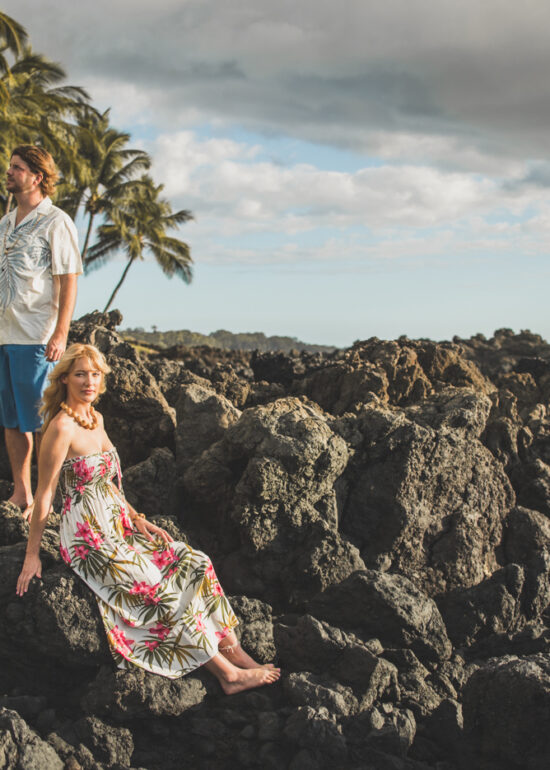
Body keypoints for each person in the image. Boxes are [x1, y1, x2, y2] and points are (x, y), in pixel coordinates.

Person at [16, 344, 280, 693]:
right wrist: (32, 554)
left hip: (118, 524)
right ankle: (227, 675)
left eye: (95, 374)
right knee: (157, 588)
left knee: (193, 561)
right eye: (80, 373)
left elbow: (109, 483)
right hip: (88, 538)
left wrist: (137, 517)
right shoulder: (62, 428)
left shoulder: (96, 419)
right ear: (64, 378)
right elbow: (46, 494)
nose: (89, 381)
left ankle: (237, 653)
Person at [0, 145, 82, 518]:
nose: (9, 172)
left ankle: (53, 500)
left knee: (47, 423)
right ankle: (22, 493)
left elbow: (68, 280)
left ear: (37, 176)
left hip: (36, 338)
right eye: (10, 167)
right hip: (4, 335)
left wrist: (61, 333)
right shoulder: (4, 222)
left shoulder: (56, 221)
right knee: (13, 421)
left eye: (17, 168)